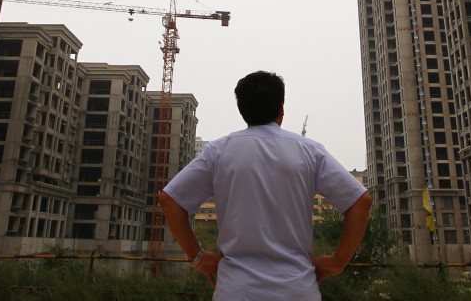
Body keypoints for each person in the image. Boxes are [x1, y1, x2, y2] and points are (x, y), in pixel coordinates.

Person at [159, 70, 372, 300]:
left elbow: (170, 200)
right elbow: (360, 202)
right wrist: (337, 262)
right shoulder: (309, 151)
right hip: (297, 290)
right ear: (281, 108)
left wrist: (198, 257)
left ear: (242, 110)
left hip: (235, 290)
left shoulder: (219, 152)